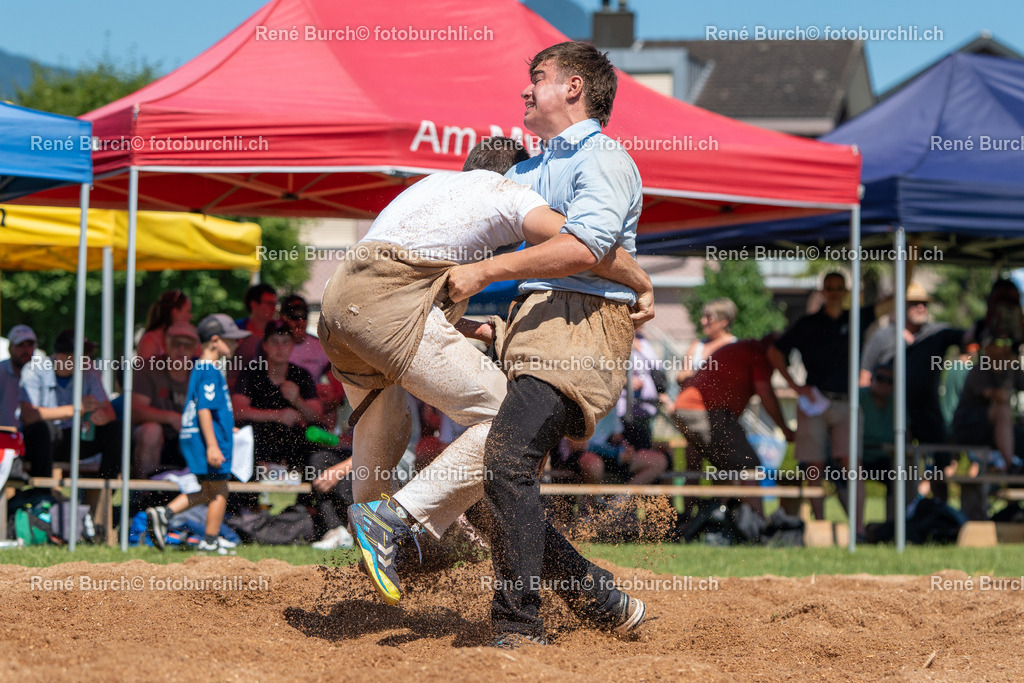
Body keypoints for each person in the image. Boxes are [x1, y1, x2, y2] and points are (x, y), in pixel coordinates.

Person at [322, 127, 650, 640]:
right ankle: (392, 522)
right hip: (391, 307)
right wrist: (640, 280)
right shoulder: (509, 191)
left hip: (340, 304)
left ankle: (372, 541)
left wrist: (473, 329)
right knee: (505, 428)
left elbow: (408, 272)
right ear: (516, 171)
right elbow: (584, 244)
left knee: (383, 433)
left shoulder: (430, 186)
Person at [437, 41, 653, 647]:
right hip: (528, 328)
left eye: (538, 78)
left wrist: (484, 274)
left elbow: (586, 248)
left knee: (504, 461)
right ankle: (596, 593)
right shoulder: (528, 171)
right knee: (483, 480)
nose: (525, 90)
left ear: (575, 88)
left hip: (583, 332)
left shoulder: (605, 159)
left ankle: (518, 625)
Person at [768, 272, 877, 524]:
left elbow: (893, 301)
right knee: (813, 465)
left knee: (852, 465)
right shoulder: (808, 323)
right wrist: (796, 387)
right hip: (815, 401)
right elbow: (775, 351)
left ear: (846, 291)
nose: (835, 292)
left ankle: (858, 528)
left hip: (846, 402)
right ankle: (819, 523)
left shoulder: (857, 318)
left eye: (840, 287)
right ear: (823, 291)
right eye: (830, 288)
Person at [145, 314, 250, 555]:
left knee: (209, 491)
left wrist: (225, 427)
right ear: (215, 341)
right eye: (231, 340)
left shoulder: (200, 369)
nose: (236, 344)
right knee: (220, 490)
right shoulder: (210, 370)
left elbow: (208, 410)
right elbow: (203, 408)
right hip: (208, 441)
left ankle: (165, 513)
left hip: (202, 437)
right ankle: (210, 541)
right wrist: (213, 445)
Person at [673, 335, 795, 514]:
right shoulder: (758, 355)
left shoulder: (746, 349)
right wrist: (785, 429)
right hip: (704, 411)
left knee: (720, 466)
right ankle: (755, 528)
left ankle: (703, 521)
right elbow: (766, 394)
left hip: (687, 408)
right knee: (748, 465)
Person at [860, 281, 967, 444]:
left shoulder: (936, 334)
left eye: (924, 303)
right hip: (891, 416)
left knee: (940, 460)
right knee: (896, 462)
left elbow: (969, 337)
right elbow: (864, 377)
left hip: (927, 414)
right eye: (915, 303)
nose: (921, 307)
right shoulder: (882, 337)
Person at [19, 329, 121, 479]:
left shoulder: (90, 371)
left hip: (77, 437)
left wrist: (103, 416)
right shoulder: (34, 370)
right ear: (62, 357)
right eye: (81, 357)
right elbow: (29, 415)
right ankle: (41, 494)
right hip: (41, 443)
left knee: (116, 429)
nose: (87, 360)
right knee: (44, 429)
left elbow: (110, 412)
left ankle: (104, 489)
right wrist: (74, 409)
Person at [232, 319, 325, 472]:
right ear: (265, 345)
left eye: (285, 342)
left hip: (291, 444)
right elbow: (237, 411)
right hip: (259, 443)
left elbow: (317, 417)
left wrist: (297, 401)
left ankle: (307, 486)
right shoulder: (251, 373)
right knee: (244, 432)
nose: (280, 348)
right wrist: (277, 415)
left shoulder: (301, 375)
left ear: (292, 346)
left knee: (314, 432)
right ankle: (246, 486)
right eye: (274, 342)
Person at [131, 323, 198, 477]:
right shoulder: (147, 367)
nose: (181, 350)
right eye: (176, 343)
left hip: (188, 438)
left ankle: (200, 494)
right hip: (152, 441)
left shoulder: (201, 372)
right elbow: (135, 410)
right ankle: (145, 495)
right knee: (151, 431)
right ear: (165, 344)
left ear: (195, 348)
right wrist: (171, 418)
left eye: (187, 345)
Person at [281, 294, 345, 429]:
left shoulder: (319, 346)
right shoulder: (275, 345)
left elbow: (338, 385)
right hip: (282, 404)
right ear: (283, 318)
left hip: (312, 406)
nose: (299, 322)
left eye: (303, 316)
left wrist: (332, 400)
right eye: (294, 316)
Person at [1, 325, 41, 473]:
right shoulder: (1, 372)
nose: (25, 350)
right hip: (5, 441)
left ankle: (43, 491)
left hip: (33, 441)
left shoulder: (42, 373)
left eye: (29, 345)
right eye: (20, 345)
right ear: (10, 347)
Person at [677, 298, 738, 383]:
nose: (703, 321)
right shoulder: (697, 345)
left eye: (709, 318)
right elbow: (681, 376)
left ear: (724, 321)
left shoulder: (734, 347)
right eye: (703, 317)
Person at [137, 290, 192, 359]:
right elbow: (144, 368)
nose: (190, 316)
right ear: (174, 312)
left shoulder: (189, 339)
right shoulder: (150, 340)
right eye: (188, 311)